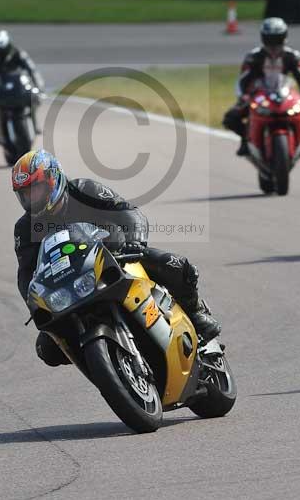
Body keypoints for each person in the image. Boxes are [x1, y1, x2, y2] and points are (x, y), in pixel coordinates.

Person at [12, 149, 221, 367]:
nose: (31, 198)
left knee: (177, 265)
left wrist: (135, 241)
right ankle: (106, 362)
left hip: (115, 256)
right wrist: (36, 302)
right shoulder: (24, 228)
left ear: (53, 179)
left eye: (35, 189)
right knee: (47, 348)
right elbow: (26, 273)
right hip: (72, 284)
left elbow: (129, 213)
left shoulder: (84, 190)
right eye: (25, 194)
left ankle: (196, 312)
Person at [223, 17, 300, 156]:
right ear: (263, 38)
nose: (273, 44)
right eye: (270, 39)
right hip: (259, 95)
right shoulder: (253, 57)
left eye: (277, 39)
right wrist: (242, 96)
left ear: (284, 37)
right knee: (231, 118)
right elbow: (242, 80)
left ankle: (299, 144)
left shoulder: (292, 56)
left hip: (284, 94)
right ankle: (245, 141)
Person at [0, 30, 45, 143]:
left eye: (3, 51)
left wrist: (39, 87)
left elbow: (33, 71)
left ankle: (35, 122)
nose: (1, 55)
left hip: (18, 87)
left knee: (34, 96)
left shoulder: (19, 54)